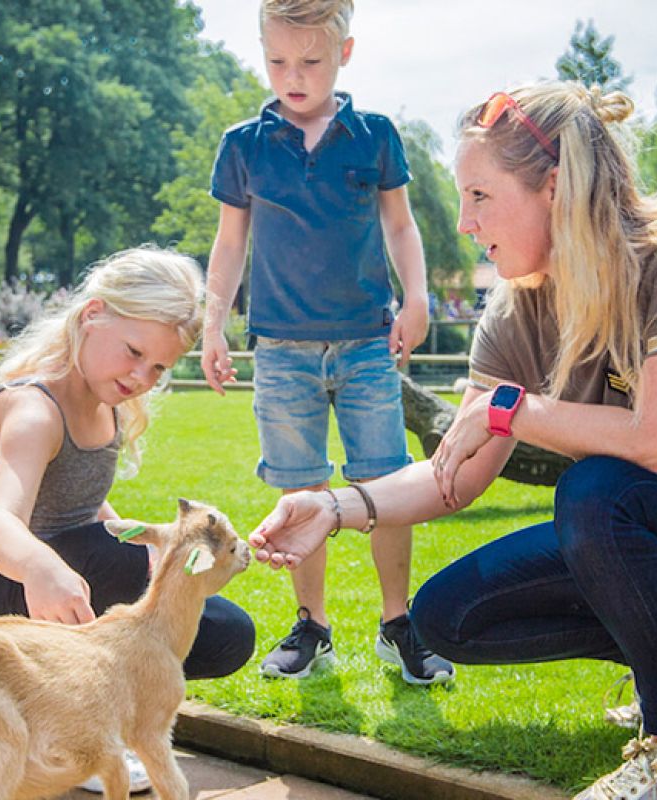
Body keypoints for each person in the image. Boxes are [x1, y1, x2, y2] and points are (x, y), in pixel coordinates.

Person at [248, 82, 657, 800]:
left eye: (479, 196)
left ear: (554, 188)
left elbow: (653, 443)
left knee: (595, 490)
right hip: (653, 544)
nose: (465, 223)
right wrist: (334, 507)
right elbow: (452, 477)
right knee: (447, 617)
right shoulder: (517, 309)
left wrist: (511, 408)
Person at [0, 246, 256, 795]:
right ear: (93, 313)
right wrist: (41, 569)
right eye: (133, 351)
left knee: (224, 632)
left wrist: (148, 546)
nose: (142, 375)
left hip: (56, 587)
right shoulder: (33, 410)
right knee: (121, 563)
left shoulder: (107, 405)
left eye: (158, 368)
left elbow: (84, 510)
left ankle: (70, 724)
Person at [200, 0, 452, 685]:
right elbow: (229, 242)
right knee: (299, 491)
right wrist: (212, 319)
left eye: (309, 61)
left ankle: (397, 624)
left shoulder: (373, 136)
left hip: (367, 345)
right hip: (279, 350)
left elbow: (400, 226)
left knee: (386, 484)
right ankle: (312, 626)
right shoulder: (242, 144)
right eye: (277, 60)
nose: (293, 75)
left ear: (343, 55)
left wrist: (418, 295)